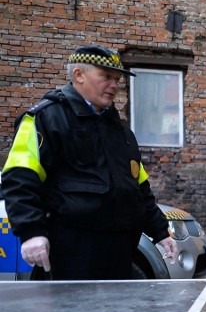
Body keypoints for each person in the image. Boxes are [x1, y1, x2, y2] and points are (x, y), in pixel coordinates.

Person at [1, 44, 177, 279]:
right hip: (70, 256)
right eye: (106, 77)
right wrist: (31, 232)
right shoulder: (47, 118)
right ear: (78, 75)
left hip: (120, 254)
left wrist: (160, 232)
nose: (114, 85)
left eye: (117, 79)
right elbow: (19, 178)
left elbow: (138, 189)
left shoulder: (121, 131)